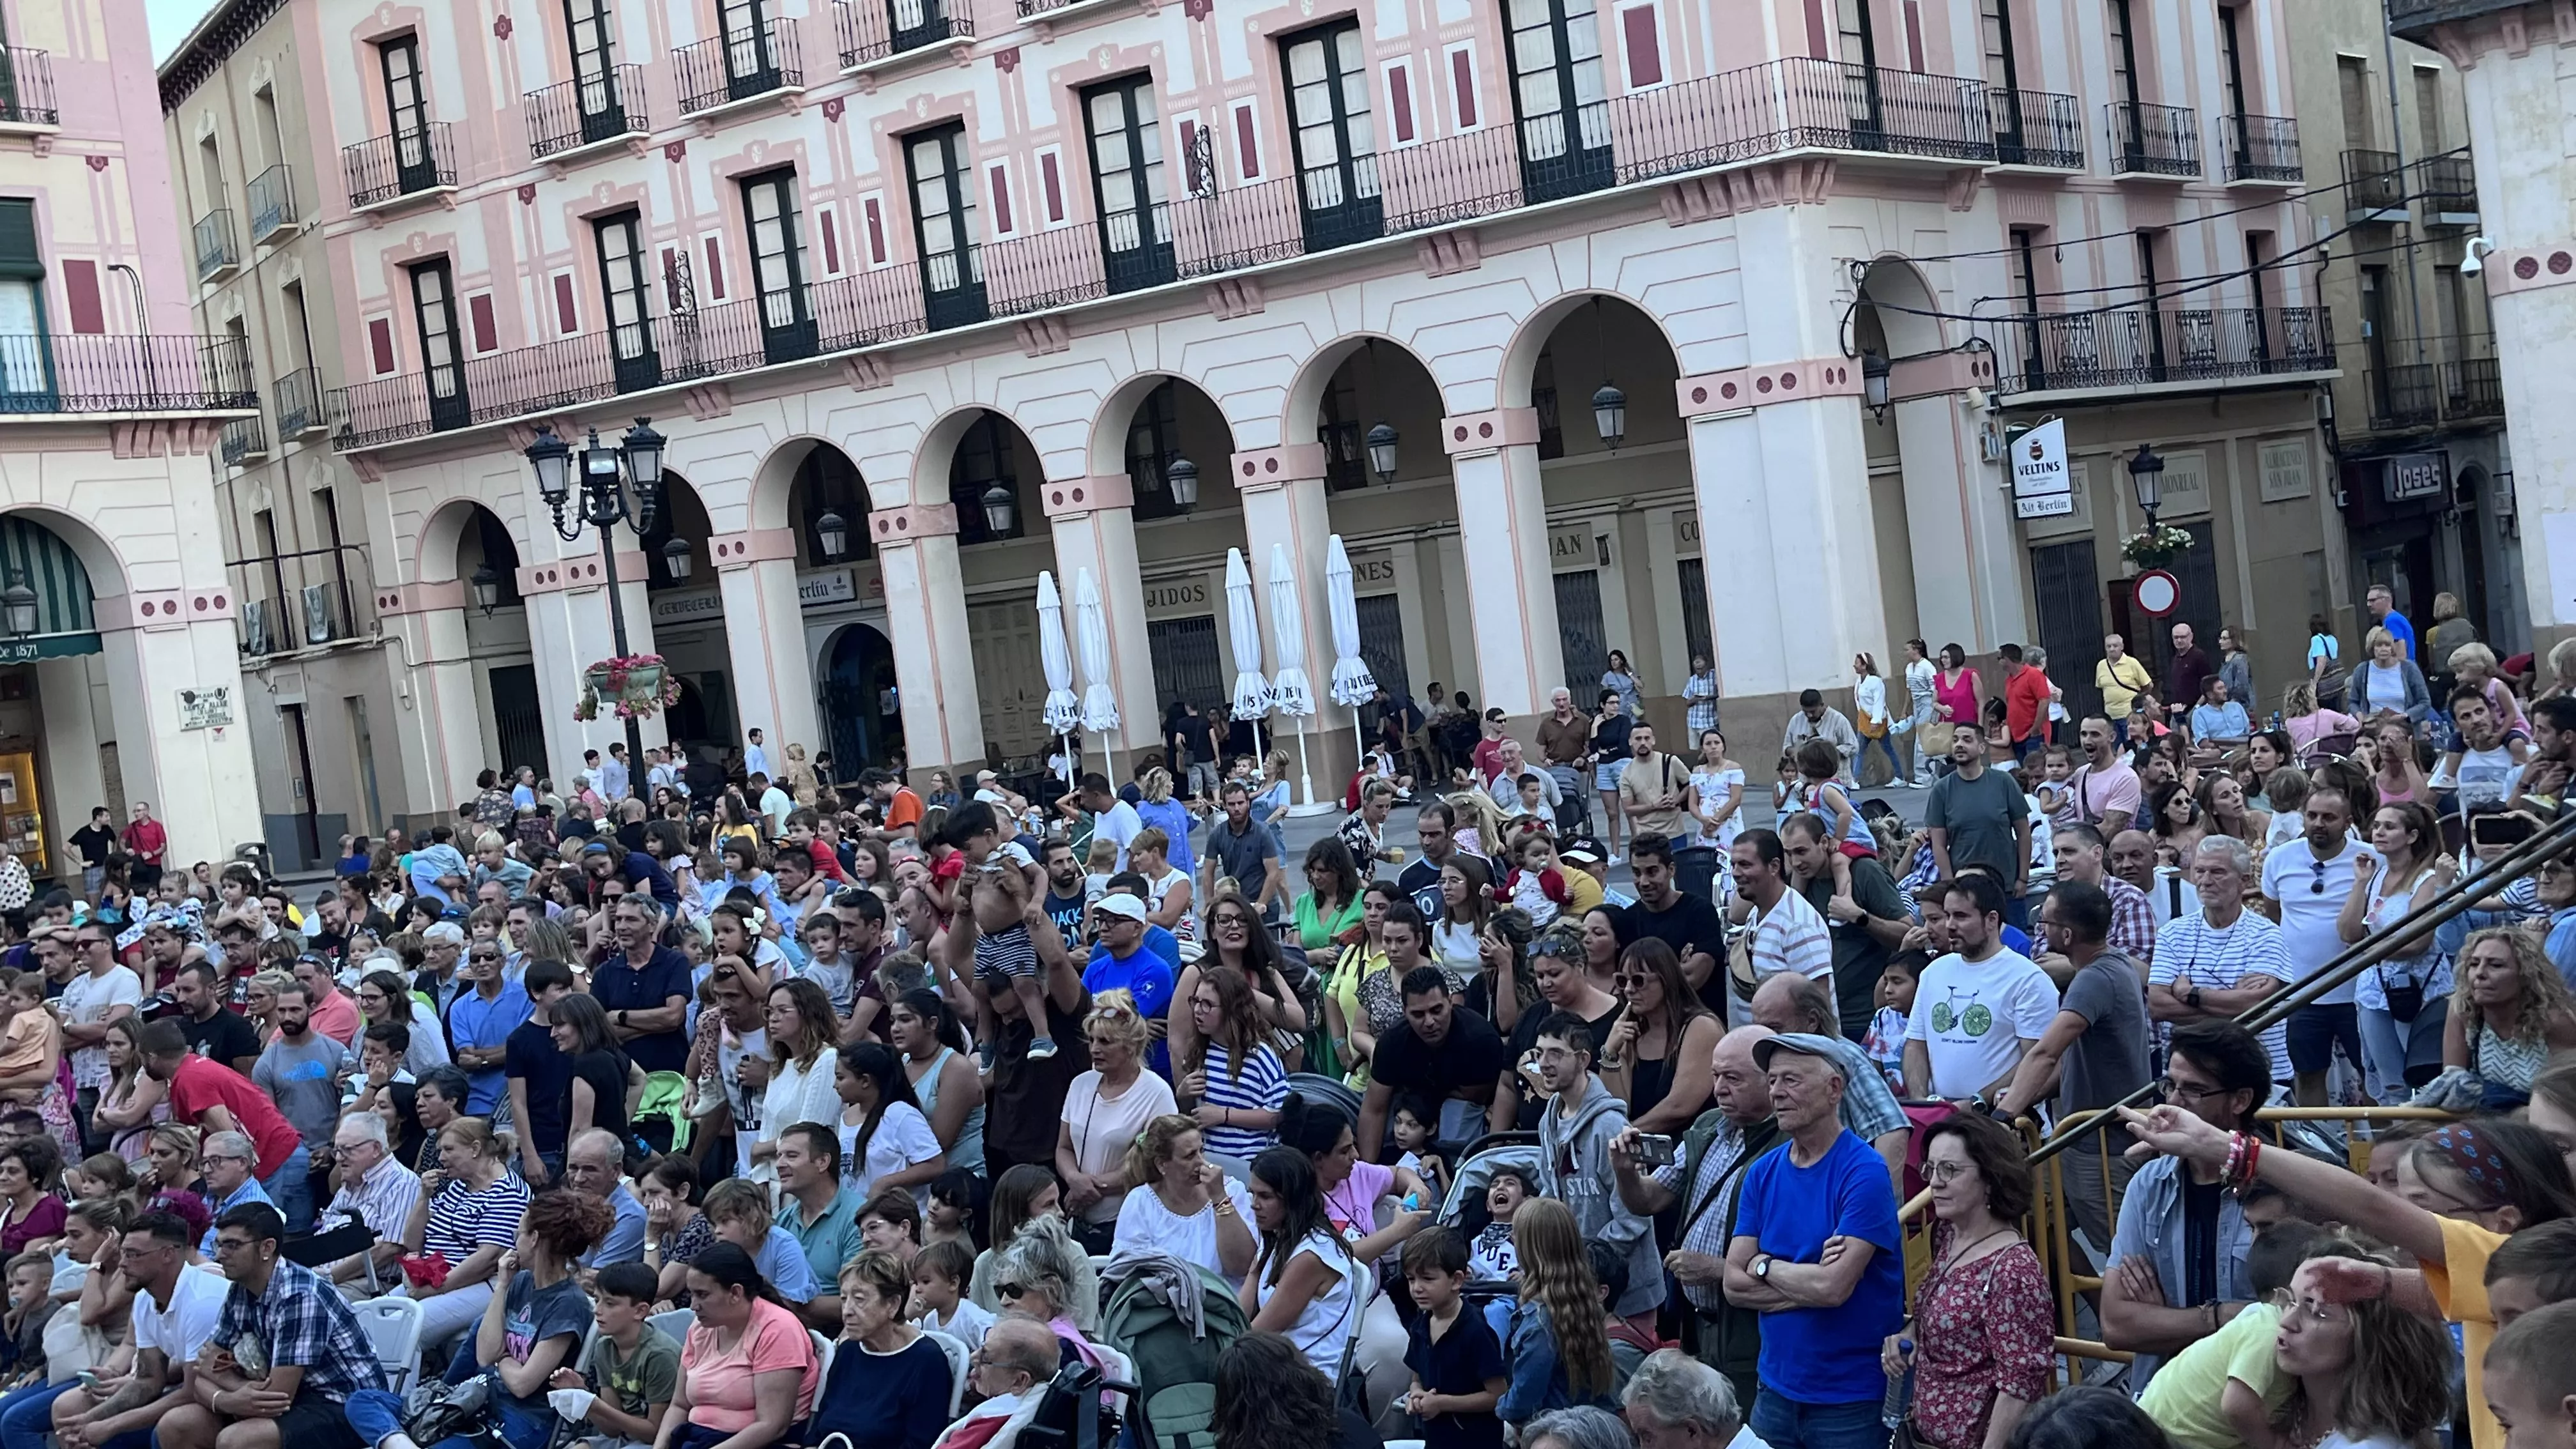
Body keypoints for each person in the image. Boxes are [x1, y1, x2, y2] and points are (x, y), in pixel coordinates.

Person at [1722, 1032, 1903, 1449]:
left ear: (1834, 1089)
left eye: (1791, 1080)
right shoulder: (1762, 1173)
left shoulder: (1864, 1172)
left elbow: (1832, 1287)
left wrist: (1765, 1266)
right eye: (1771, 1081)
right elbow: (1733, 1285)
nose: (1777, 1093)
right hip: (1774, 1392)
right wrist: (1813, 1284)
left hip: (1849, 1403)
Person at [352, 1190, 614, 1449]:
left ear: (534, 1239)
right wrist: (501, 1286)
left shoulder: (568, 1303)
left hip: (518, 1422)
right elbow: (484, 1356)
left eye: (520, 1232)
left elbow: (523, 1385)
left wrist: (501, 1357)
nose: (514, 1237)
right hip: (476, 1401)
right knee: (362, 1401)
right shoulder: (520, 1281)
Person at [2099, 1019, 2274, 1388]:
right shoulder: (2150, 1183)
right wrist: (2219, 1317)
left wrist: (2163, 1318)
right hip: (2165, 1401)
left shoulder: (2279, 1187)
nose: (2172, 1103)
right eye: (2170, 1086)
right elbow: (2116, 1324)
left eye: (2193, 1090)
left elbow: (2282, 1322)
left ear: (2240, 1100)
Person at [1612, 1026, 1778, 1409]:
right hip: (1696, 1325)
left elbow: (1799, 1257)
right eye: (1716, 1075)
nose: (1719, 1088)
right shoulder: (1708, 1129)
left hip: (1749, 1330)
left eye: (1733, 1078)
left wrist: (1718, 1269)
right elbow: (1648, 1200)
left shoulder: (1789, 1147)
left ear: (1769, 1081)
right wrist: (1624, 1171)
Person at [1878, 1114, 2051, 1449]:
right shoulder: (1950, 1233)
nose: (1935, 1183)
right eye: (1931, 1169)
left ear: (1990, 1179)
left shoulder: (2012, 1269)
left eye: (1950, 1170)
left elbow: (2020, 1385)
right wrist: (1910, 1335)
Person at [1993, 881, 2150, 1249]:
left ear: (2066, 934)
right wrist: (2023, 1099)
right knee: (2035, 1221)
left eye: (2044, 921)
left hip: (2104, 1149)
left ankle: (2124, 1307)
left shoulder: (2094, 979)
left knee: (2122, 1256)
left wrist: (2002, 1117)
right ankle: (2084, 1304)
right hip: (2076, 1141)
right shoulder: (2109, 967)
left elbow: (2046, 1053)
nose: (2039, 929)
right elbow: (2069, 1064)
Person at [1530, 1011, 1659, 1321]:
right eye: (1539, 1053)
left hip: (1627, 1292)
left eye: (1556, 1054)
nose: (1544, 1063)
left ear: (1583, 1059)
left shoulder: (1610, 1125)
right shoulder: (1548, 1121)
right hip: (1574, 1283)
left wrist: (1587, 1261)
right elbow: (1551, 1194)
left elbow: (1634, 1217)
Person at [140, 1022, 313, 1232]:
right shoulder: (194, 1066)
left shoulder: (190, 1078)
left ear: (152, 1057)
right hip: (286, 1152)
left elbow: (229, 1137)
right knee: (293, 1241)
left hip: (273, 1159)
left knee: (262, 1240)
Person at [2262, 786, 2374, 1107]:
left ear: (2348, 821)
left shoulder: (2369, 857)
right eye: (2312, 816)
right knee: (2309, 1075)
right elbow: (2274, 915)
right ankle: (2319, 1149)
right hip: (2302, 992)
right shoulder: (2280, 858)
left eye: (2329, 817)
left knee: (2372, 1076)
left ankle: (2374, 1152)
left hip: (2357, 993)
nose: (2319, 823)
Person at [2153, 836, 2294, 1085]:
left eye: (2218, 872)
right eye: (2200, 871)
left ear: (2245, 881)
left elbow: (2254, 1005)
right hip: (2190, 1076)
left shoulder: (2266, 934)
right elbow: (2158, 1006)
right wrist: (2230, 1005)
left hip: (2258, 1076)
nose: (2206, 881)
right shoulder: (2173, 933)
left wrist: (2189, 993)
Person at [1903, 875, 2054, 1107]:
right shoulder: (1933, 972)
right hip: (1941, 1120)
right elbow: (1915, 1044)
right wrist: (1921, 1102)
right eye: (1948, 915)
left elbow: (2037, 1061)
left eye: (1961, 916)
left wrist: (1977, 1102)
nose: (1950, 925)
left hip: (2005, 1122)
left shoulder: (2028, 979)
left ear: (1991, 920)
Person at [652, 1242, 820, 1449]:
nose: (693, 1305)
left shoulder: (778, 1329)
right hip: (697, 1438)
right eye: (692, 1294)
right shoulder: (700, 1327)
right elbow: (679, 1405)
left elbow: (772, 1425)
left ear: (735, 1293)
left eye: (702, 1295)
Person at [2338, 801, 2455, 1096]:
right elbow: (2348, 932)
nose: (2379, 832)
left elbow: (2416, 942)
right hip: (2374, 988)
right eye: (2376, 826)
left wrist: (2367, 949)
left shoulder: (2427, 879)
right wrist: (2359, 884)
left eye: (2389, 827)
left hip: (2420, 988)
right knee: (2391, 1083)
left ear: (2412, 836)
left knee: (2425, 1079)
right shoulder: (2376, 875)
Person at [1239, 1146, 1365, 1380]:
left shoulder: (1311, 1257)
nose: (1254, 1204)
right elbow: (1242, 1311)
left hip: (1308, 1380)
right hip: (1275, 1361)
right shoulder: (1278, 1235)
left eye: (1265, 1196)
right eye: (1252, 1194)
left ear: (1292, 1199)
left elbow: (1259, 1332)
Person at [1360, 967, 1510, 1161]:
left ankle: (1455, 1173)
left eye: (1436, 1010)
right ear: (1405, 1012)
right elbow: (1374, 1109)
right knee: (1394, 1123)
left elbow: (1473, 1096)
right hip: (1411, 1100)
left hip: (1462, 1105)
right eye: (1418, 1014)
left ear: (1450, 1002)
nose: (1430, 1022)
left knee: (1457, 1120)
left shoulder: (1480, 1039)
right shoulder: (1392, 1042)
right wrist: (1366, 1171)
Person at [810, 1249, 951, 1449]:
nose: (847, 1311)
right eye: (843, 1299)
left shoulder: (926, 1361)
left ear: (893, 1304)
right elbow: (819, 1430)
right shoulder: (848, 1350)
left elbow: (921, 1443)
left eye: (859, 1299)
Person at [1498, 1197, 1618, 1429]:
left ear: (1528, 1249)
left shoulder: (1540, 1322)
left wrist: (1500, 1408)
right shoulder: (1581, 1301)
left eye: (1516, 1235)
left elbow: (1524, 1398)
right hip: (1585, 1429)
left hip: (1551, 1433)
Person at [1600, 938, 1721, 1137]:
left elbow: (1680, 1108)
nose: (1629, 989)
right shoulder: (1630, 1033)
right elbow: (1618, 1109)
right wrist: (1610, 1053)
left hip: (1689, 1149)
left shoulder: (1701, 1026)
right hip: (1640, 1151)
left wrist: (1626, 1134)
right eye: (1623, 981)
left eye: (1638, 980)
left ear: (1666, 980)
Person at [2444, 928, 2576, 1110]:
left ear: (2525, 975)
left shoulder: (2553, 1021)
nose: (2480, 974)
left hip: (2544, 1125)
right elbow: (2452, 1086)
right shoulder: (2463, 1010)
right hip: (2487, 1120)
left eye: (2496, 965)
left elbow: (2569, 1101)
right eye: (2474, 964)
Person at [1400, 1226, 1507, 1449]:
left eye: (1428, 1279)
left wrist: (1442, 1403)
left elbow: (1497, 1395)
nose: (1417, 1288)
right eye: (1411, 1279)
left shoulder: (1476, 1332)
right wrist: (1417, 1395)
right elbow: (1416, 1377)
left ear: (1457, 1280)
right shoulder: (1421, 1326)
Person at [1111, 1113, 1254, 1279]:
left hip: (1223, 1300)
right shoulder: (1140, 1202)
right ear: (1161, 1164)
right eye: (1190, 1156)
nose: (1201, 1162)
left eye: (1202, 1151)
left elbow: (1241, 1267)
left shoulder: (1231, 1190)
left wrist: (1220, 1198)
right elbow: (1128, 1271)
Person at [1926, 724, 2033, 927]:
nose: (1959, 744)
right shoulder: (1942, 790)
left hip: (2007, 888)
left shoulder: (2003, 782)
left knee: (2015, 948)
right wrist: (1950, 885)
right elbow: (1938, 845)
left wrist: (2023, 878)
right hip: (1965, 891)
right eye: (1955, 739)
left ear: (1982, 748)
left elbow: (2024, 833)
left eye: (1967, 740)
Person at [1728, 829, 1834, 1031]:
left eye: (1745, 865)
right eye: (1733, 865)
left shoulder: (1798, 925)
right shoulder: (1758, 911)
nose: (1735, 873)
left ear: (1774, 866)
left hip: (1793, 1054)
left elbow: (1820, 1004)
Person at [1628, 832, 1728, 1015]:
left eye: (1652, 872)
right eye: (1637, 873)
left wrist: (1644, 976)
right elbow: (1626, 984)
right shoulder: (1628, 919)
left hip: (1702, 1026)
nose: (1643, 882)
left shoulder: (1700, 911)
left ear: (1671, 870)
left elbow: (1695, 976)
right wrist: (1675, 967)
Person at [594, 896, 694, 1075]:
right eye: (618, 919)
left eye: (631, 920)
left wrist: (621, 1016)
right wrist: (656, 1025)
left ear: (652, 925)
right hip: (623, 1077)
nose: (622, 926)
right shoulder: (604, 973)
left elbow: (673, 1017)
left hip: (670, 1076)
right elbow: (600, 1032)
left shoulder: (674, 962)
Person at [2348, 627, 2432, 728]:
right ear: (2372, 647)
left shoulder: (2409, 668)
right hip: (2373, 728)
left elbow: (2425, 702)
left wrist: (2405, 716)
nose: (2383, 649)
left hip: (2404, 728)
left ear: (2392, 648)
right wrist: (2360, 716)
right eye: (2379, 645)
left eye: (2387, 645)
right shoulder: (2362, 670)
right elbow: (2353, 702)